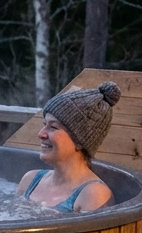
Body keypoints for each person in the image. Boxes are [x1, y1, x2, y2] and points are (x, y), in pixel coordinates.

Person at [16, 81, 120, 212]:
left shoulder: (93, 195)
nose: (41, 134)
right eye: (44, 124)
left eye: (53, 127)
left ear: (80, 140)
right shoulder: (30, 180)